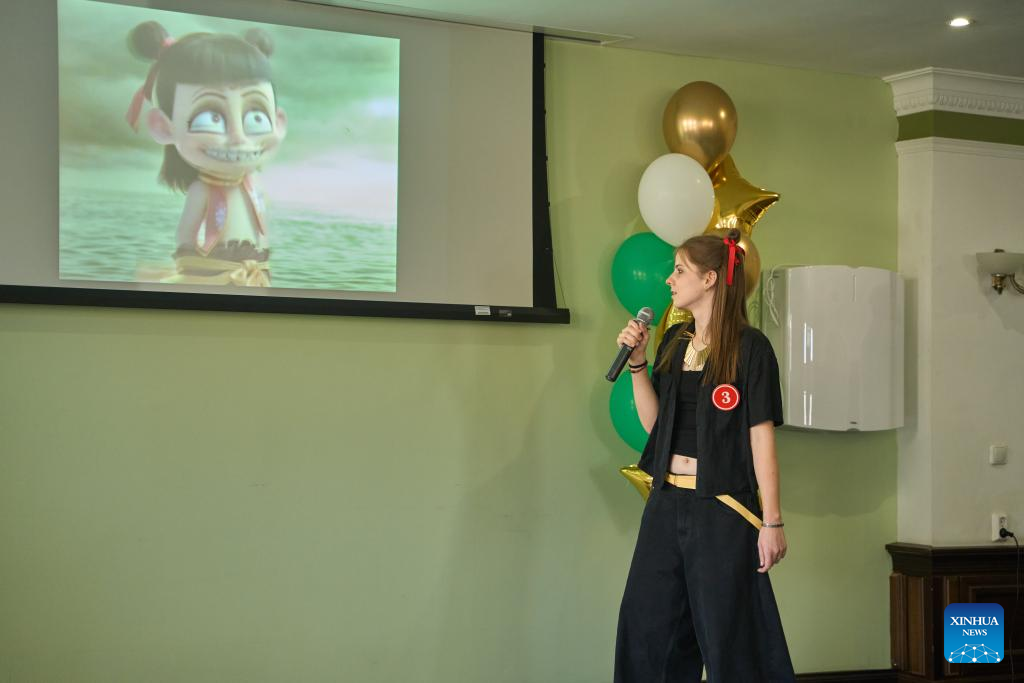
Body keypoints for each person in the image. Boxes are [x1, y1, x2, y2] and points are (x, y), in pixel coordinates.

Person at [613, 228, 796, 682]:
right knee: (648, 625)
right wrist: (637, 363)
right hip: (666, 503)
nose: (670, 280)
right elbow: (656, 427)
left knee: (729, 633)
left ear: (710, 278)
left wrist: (772, 521)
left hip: (722, 508)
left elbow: (761, 439)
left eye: (680, 270)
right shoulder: (675, 341)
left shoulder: (751, 349)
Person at [126, 20, 288, 286]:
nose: (238, 137)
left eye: (256, 118)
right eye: (210, 119)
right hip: (210, 275)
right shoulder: (202, 189)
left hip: (254, 273)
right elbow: (186, 235)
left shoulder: (255, 185)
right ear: (163, 127)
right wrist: (194, 269)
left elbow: (262, 229)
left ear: (279, 123)